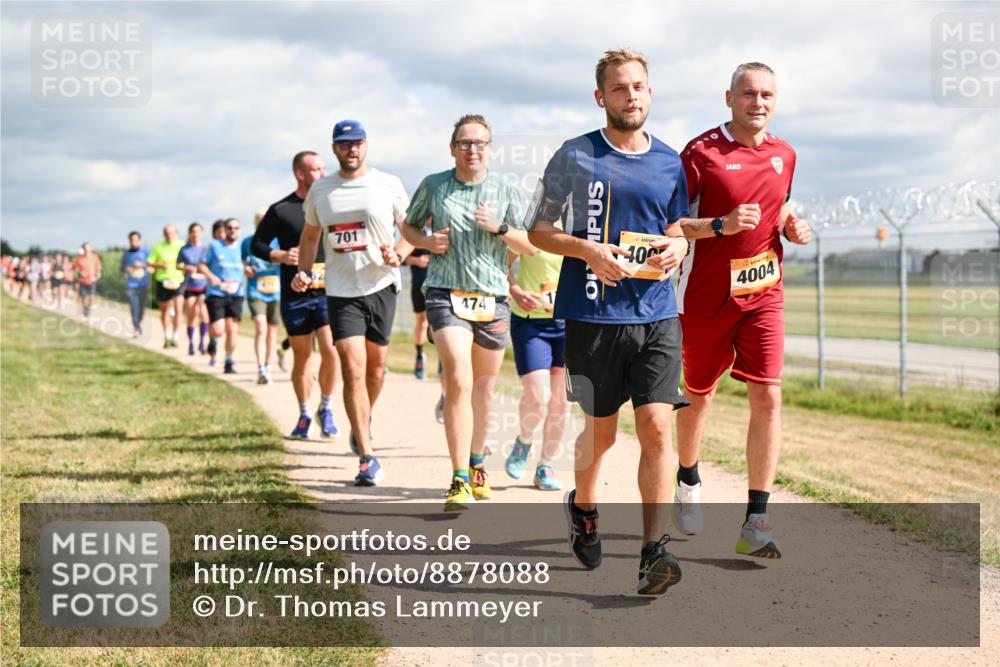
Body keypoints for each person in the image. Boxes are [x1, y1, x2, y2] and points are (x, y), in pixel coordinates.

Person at [526, 49, 690, 595]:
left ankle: (653, 552)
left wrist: (679, 247)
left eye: (639, 86)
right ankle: (585, 506)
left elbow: (676, 228)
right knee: (601, 433)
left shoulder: (669, 161)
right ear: (601, 97)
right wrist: (588, 250)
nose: (631, 96)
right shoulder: (574, 155)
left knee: (658, 426)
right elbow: (539, 230)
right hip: (593, 316)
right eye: (619, 88)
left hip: (657, 313)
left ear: (650, 92)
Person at [674, 62, 811, 559]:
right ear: (729, 98)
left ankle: (757, 519)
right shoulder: (701, 153)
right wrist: (722, 225)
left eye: (767, 94)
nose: (758, 102)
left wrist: (793, 225)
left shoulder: (785, 154)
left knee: (768, 396)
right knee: (698, 396)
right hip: (705, 297)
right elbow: (673, 225)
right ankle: (687, 476)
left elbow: (782, 205)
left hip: (764, 294)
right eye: (749, 94)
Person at [399, 114, 533, 511]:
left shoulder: (507, 188)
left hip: (492, 296)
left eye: (479, 143)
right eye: (464, 142)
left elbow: (528, 244)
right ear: (452, 147)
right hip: (445, 292)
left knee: (484, 388)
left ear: (490, 148)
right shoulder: (434, 185)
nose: (472, 149)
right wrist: (426, 242)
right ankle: (458, 477)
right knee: (459, 377)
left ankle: (477, 463)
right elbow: (408, 228)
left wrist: (499, 227)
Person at [295, 119, 409, 486]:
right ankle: (367, 456)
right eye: (344, 144)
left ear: (366, 145)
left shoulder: (388, 184)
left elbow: (410, 231)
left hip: (381, 286)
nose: (352, 149)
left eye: (357, 142)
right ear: (334, 149)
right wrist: (304, 270)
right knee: (353, 368)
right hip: (341, 291)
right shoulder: (321, 189)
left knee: (376, 371)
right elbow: (310, 235)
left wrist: (399, 255)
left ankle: (363, 418)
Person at [252, 151, 341, 439]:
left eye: (325, 168)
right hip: (296, 294)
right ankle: (304, 414)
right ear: (300, 174)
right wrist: (280, 255)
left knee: (331, 351)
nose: (323, 174)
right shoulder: (281, 210)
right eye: (316, 169)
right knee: (303, 357)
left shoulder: (333, 205)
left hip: (329, 292)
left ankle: (326, 407)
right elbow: (257, 244)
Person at [504, 246, 567, 491]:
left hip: (569, 323)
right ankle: (524, 441)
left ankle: (545, 467)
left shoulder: (583, 229)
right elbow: (502, 262)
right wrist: (515, 290)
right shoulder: (530, 229)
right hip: (531, 322)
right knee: (538, 398)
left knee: (560, 402)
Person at [199, 218, 245, 374]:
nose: (233, 230)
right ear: (224, 230)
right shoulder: (214, 246)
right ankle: (213, 339)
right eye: (230, 227)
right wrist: (212, 278)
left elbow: (248, 264)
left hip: (236, 294)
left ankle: (229, 361)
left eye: (236, 228)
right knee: (219, 330)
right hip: (217, 293)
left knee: (232, 329)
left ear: (239, 230)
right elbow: (201, 265)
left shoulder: (242, 248)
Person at [244, 208, 282, 384]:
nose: (263, 222)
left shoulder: (279, 241)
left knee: (272, 332)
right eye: (260, 219)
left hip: (276, 291)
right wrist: (246, 268)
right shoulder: (247, 242)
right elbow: (244, 260)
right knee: (260, 327)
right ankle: (260, 368)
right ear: (256, 222)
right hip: (255, 289)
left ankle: (267, 367)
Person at [146, 225, 185, 347]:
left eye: (171, 233)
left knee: (179, 309)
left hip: (178, 280)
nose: (169, 236)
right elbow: (149, 262)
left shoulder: (182, 245)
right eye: (167, 233)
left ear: (176, 233)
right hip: (162, 280)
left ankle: (175, 336)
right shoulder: (158, 247)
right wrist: (159, 265)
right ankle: (166, 335)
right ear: (164, 234)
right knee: (164, 310)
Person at [177, 222, 210, 355]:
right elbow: (178, 265)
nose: (196, 234)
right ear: (190, 234)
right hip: (190, 286)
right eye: (193, 232)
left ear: (202, 233)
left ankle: (202, 342)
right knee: (191, 315)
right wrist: (186, 267)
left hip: (204, 285)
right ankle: (191, 343)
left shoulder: (207, 249)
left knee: (204, 313)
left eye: (198, 231)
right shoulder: (184, 249)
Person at [120, 232, 150, 337]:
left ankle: (138, 323)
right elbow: (122, 268)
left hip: (143, 284)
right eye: (132, 240)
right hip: (131, 285)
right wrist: (127, 268)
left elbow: (152, 265)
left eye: (136, 239)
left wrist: (142, 265)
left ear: (139, 240)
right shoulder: (126, 254)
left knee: (141, 308)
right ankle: (136, 328)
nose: (134, 242)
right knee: (134, 307)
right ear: (129, 240)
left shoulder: (145, 252)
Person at [73, 243, 102, 317]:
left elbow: (98, 266)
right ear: (83, 250)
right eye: (85, 249)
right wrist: (80, 272)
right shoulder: (79, 259)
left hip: (92, 280)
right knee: (83, 297)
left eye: (88, 248)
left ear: (90, 248)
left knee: (92, 297)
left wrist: (98, 273)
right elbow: (75, 269)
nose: (87, 250)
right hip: (82, 280)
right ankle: (85, 308)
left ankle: (88, 308)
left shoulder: (95, 257)